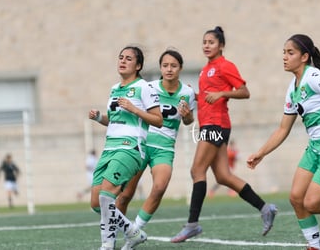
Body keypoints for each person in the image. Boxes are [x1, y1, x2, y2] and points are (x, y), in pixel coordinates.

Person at [247, 34, 320, 250]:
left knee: (311, 203)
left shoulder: (314, 76)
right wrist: (261, 153)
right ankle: (315, 246)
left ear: (305, 56)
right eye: (284, 53)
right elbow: (283, 129)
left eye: (290, 53)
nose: (285, 57)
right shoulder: (292, 88)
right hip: (315, 148)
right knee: (296, 198)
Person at [171, 26, 278, 243]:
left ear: (221, 45)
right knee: (223, 176)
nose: (206, 46)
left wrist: (222, 93)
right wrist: (195, 95)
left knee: (196, 170)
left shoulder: (225, 66)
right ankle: (265, 208)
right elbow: (208, 97)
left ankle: (192, 224)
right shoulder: (205, 69)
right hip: (210, 125)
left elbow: (244, 92)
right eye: (204, 42)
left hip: (216, 125)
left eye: (211, 42)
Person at [116, 49, 196, 249]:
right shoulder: (149, 87)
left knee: (159, 187)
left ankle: (134, 232)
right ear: (160, 68)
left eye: (174, 66)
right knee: (125, 195)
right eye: (165, 65)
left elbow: (189, 121)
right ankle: (111, 237)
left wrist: (186, 116)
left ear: (180, 68)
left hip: (164, 148)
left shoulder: (187, 93)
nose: (169, 69)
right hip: (142, 144)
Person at [88, 46, 163, 250]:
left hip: (130, 148)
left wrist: (134, 109)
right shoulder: (115, 89)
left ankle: (107, 245)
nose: (122, 61)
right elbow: (113, 120)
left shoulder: (144, 87)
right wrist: (98, 118)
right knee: (97, 203)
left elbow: (158, 120)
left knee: (106, 197)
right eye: (120, 57)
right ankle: (133, 232)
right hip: (109, 149)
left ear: (138, 66)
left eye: (128, 59)